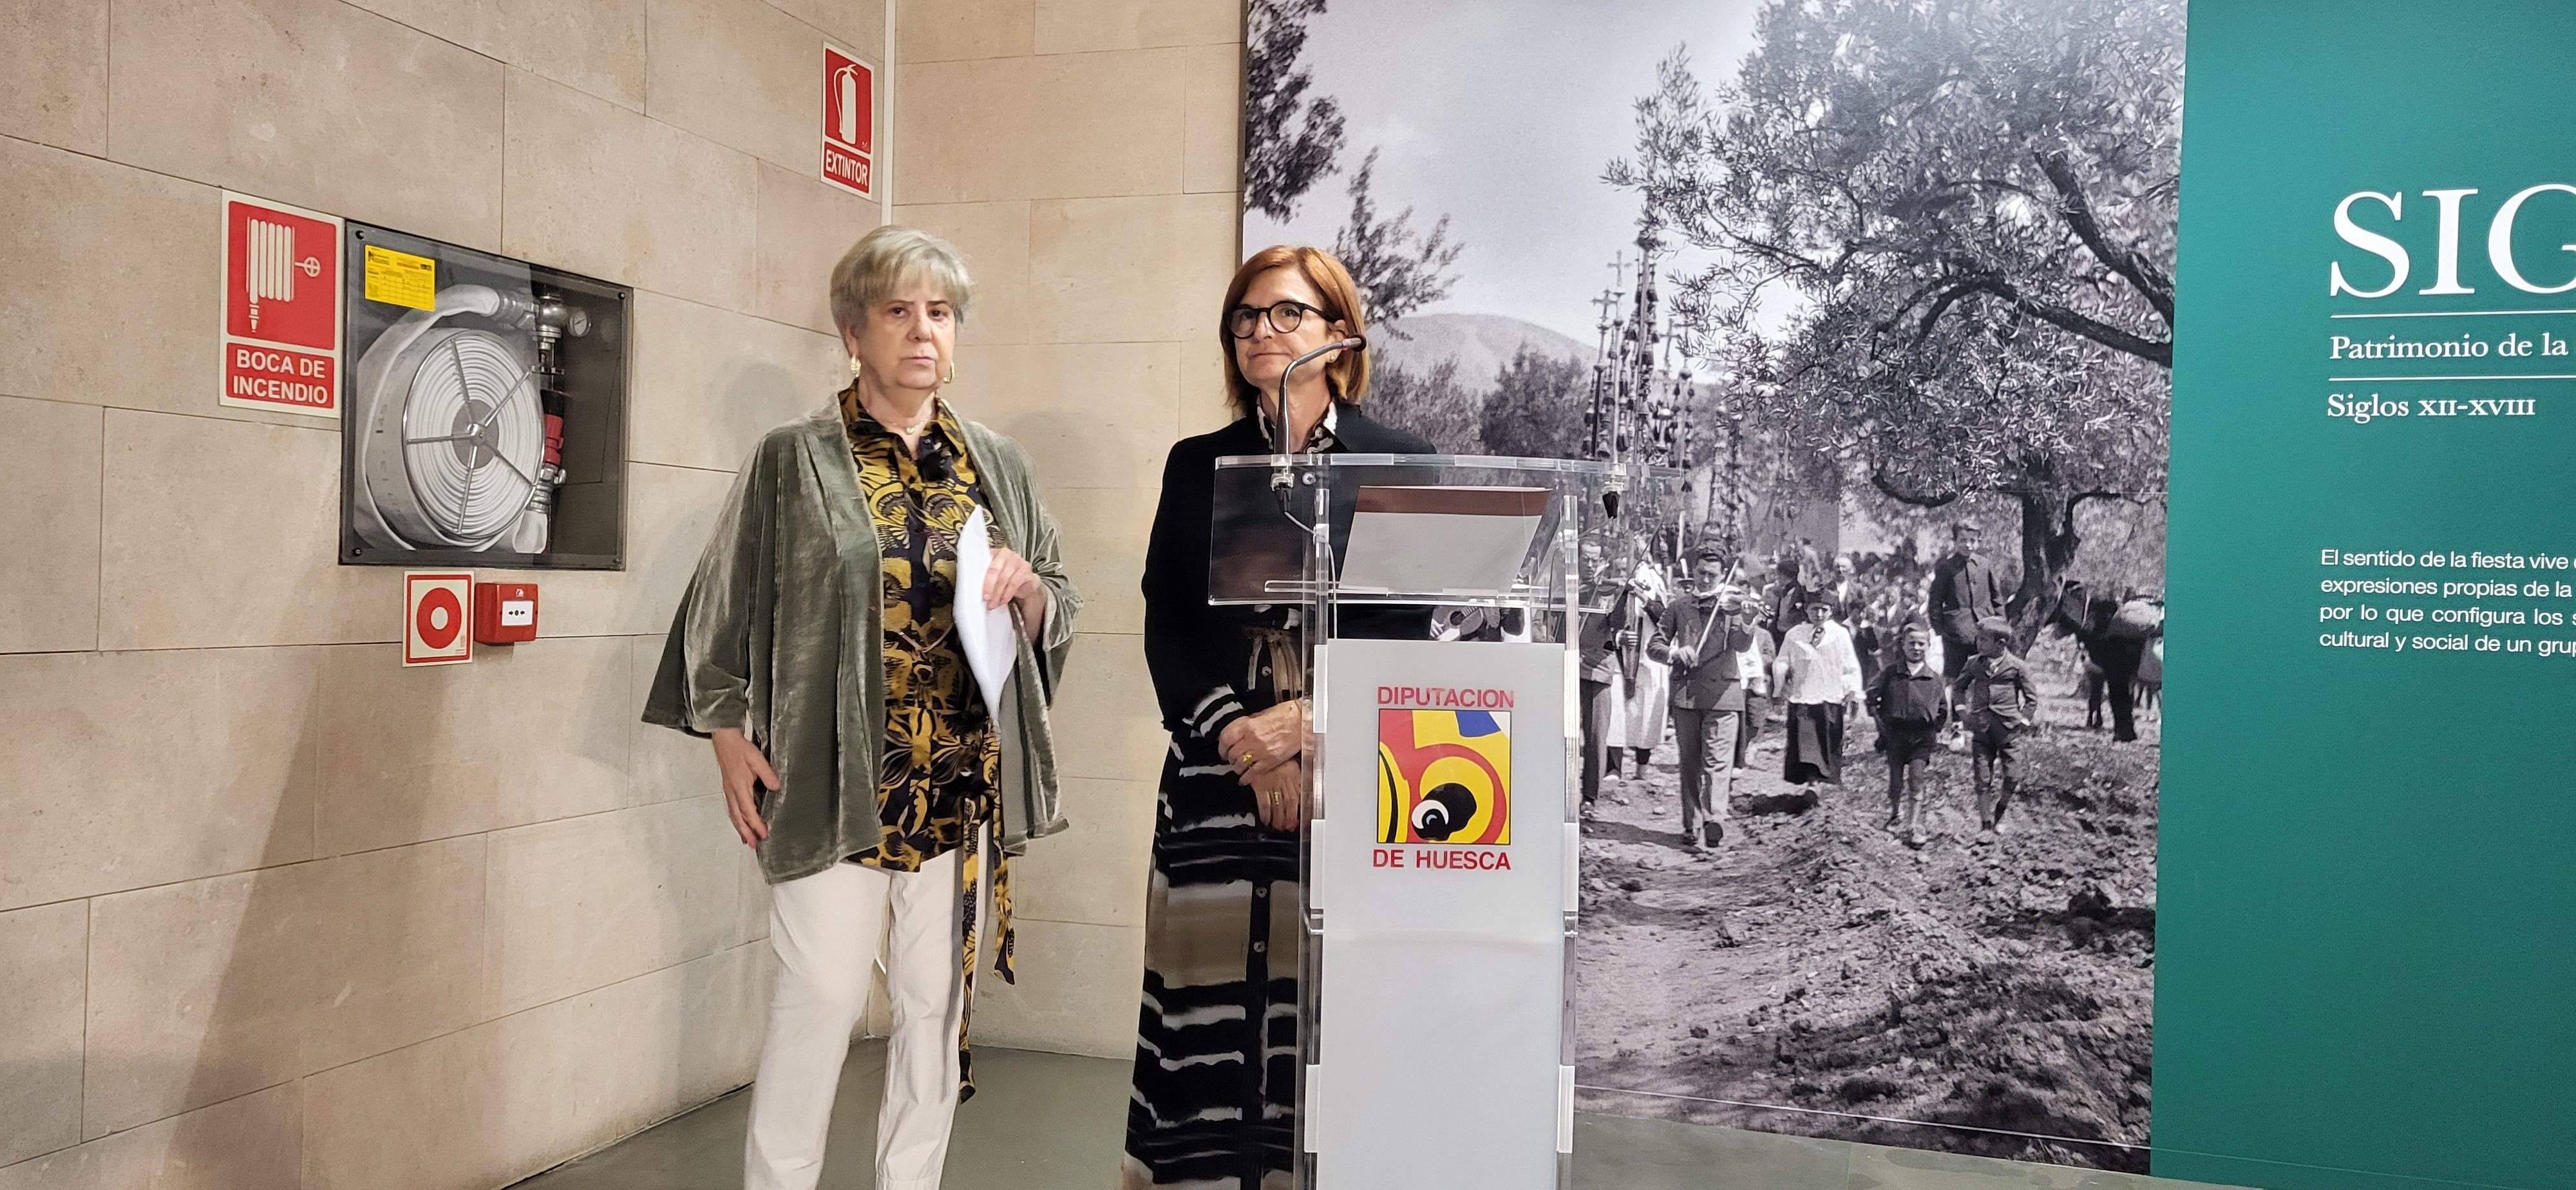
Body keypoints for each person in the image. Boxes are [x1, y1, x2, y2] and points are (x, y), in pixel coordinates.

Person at [644, 225, 1082, 1190]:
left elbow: (1061, 595)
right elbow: (719, 603)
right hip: (835, 780)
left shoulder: (998, 465)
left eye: (941, 313)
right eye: (898, 312)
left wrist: (1030, 588)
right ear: (853, 331)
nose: (924, 333)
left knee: (934, 1018)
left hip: (961, 786)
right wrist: (725, 736)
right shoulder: (792, 460)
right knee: (820, 1007)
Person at [1128, 245, 1433, 1189]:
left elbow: (1407, 630)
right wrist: (1244, 742)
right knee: (1205, 1021)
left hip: (1350, 777)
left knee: (1335, 1019)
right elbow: (1166, 623)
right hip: (1219, 774)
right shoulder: (1198, 465)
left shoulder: (1402, 463)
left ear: (1340, 333)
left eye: (1285, 314)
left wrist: (1309, 723)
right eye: (1246, 318)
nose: (1261, 332)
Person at [1648, 550, 1757, 853]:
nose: (1707, 579)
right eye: (1701, 573)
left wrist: (1747, 619)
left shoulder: (1732, 606)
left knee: (1717, 763)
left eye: (1712, 574)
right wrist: (1675, 652)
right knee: (1690, 764)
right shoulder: (1679, 606)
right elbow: (1654, 645)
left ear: (1723, 575)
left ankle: (1714, 819)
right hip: (1687, 694)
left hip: (1724, 694)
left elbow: (1741, 644)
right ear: (1693, 573)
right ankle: (1691, 823)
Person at [1866, 621, 1949, 848]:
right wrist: (1878, 716)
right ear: (1902, 645)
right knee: (1895, 781)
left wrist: (1934, 729)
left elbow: (1943, 710)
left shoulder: (1933, 678)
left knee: (1916, 779)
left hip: (1922, 738)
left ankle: (1913, 826)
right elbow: (1872, 694)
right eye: (1911, 643)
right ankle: (1895, 813)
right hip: (1895, 735)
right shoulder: (1892, 673)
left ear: (1929, 646)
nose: (1916, 648)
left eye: (1921, 644)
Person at [1953, 616, 2041, 833]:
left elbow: (2032, 699)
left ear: (2000, 644)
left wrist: (2023, 720)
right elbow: (1958, 689)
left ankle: (2000, 810)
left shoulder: (2017, 667)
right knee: (1983, 778)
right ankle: (1985, 824)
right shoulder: (1974, 663)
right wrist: (1963, 713)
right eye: (1978, 639)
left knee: (2013, 775)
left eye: (1983, 640)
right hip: (1981, 728)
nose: (1978, 644)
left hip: (2008, 730)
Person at [1774, 595, 1862, 788]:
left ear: (1831, 611)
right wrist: (1782, 676)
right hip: (1803, 695)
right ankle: (1811, 780)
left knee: (1828, 736)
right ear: (1807, 610)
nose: (1819, 614)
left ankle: (1825, 780)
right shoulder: (1795, 634)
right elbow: (1782, 659)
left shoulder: (1840, 634)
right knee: (1806, 740)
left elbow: (1850, 665)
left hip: (1830, 694)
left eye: (1824, 609)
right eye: (1814, 609)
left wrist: (1854, 692)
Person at [1927, 520, 2006, 685]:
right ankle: (1956, 710)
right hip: (1955, 636)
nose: (1968, 545)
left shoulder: (1985, 565)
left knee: (1984, 678)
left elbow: (1997, 598)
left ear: (1979, 542)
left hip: (1984, 633)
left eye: (1972, 540)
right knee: (1955, 680)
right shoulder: (1945, 568)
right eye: (1963, 540)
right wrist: (1941, 631)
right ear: (1955, 541)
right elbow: (1934, 603)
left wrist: (2000, 625)